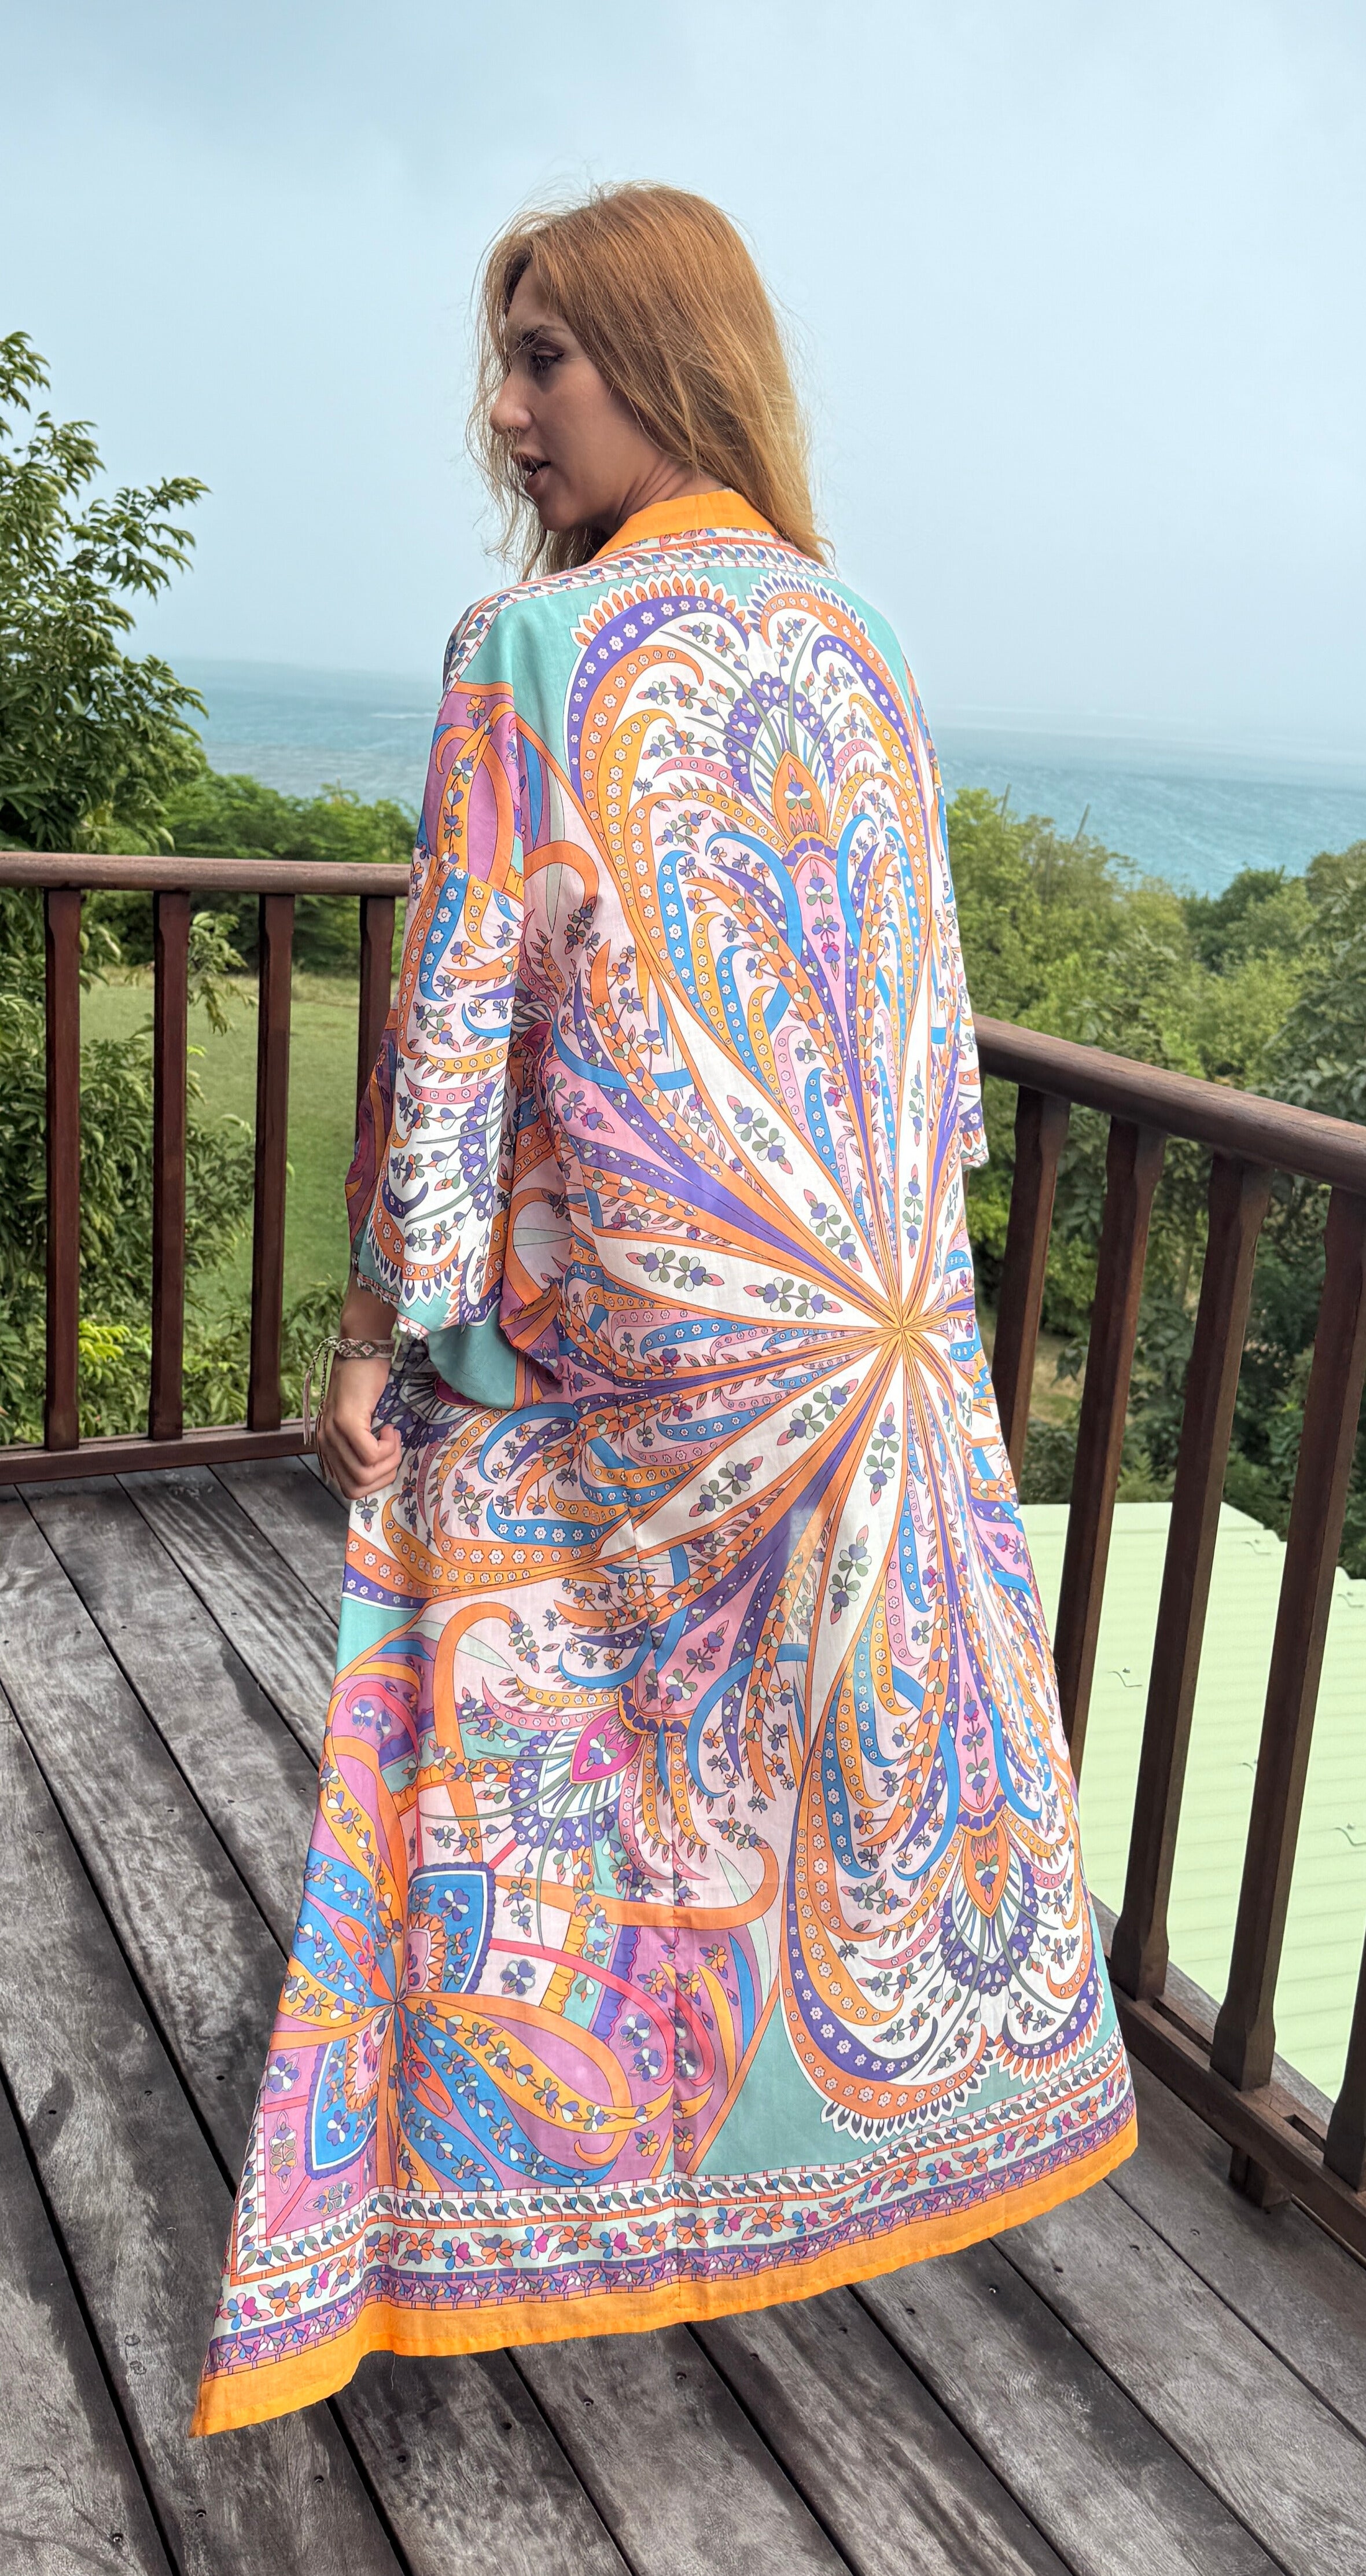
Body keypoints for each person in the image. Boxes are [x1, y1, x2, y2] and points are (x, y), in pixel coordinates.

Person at [193, 182, 1135, 2436]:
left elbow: (453, 1033)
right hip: (853, 1344)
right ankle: (813, 2168)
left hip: (624, 1346)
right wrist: (906, 1314)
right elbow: (924, 1036)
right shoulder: (864, 639)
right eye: (503, 363)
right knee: (794, 1790)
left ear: (667, 359)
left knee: (535, 1767)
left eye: (547, 357)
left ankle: (515, 2200)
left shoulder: (525, 653)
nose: (505, 412)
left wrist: (374, 1331)